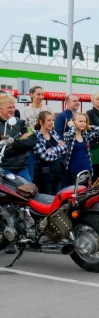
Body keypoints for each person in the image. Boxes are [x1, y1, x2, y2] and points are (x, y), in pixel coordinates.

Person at [0, 94, 37, 254]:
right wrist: (18, 143)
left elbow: (32, 140)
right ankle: (8, 239)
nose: (12, 109)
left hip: (22, 166)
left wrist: (12, 142)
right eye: (9, 107)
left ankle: (30, 233)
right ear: (0, 108)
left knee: (30, 199)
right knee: (6, 204)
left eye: (13, 107)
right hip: (4, 168)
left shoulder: (21, 123)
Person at [63, 112, 99, 186]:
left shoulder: (85, 136)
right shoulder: (67, 135)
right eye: (80, 121)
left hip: (86, 168)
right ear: (73, 122)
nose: (83, 123)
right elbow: (72, 134)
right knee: (75, 192)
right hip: (74, 170)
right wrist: (72, 126)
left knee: (86, 193)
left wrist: (88, 126)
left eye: (84, 121)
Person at [33, 111, 67, 195]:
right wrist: (58, 149)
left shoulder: (53, 133)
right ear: (41, 121)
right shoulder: (36, 136)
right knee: (46, 198)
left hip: (58, 171)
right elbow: (45, 156)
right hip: (45, 174)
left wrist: (52, 150)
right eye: (48, 120)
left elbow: (65, 148)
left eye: (52, 120)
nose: (51, 122)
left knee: (56, 198)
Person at [24, 86, 54, 180]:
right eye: (38, 94)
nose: (41, 97)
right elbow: (25, 127)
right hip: (32, 144)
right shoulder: (25, 111)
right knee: (31, 170)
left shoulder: (48, 108)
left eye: (42, 94)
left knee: (46, 172)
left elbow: (52, 126)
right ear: (31, 95)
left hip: (45, 143)